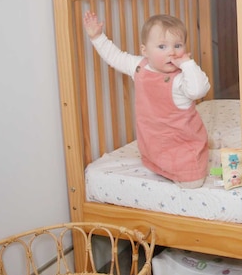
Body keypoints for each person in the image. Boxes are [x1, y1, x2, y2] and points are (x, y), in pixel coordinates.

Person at [83, 11, 211, 188]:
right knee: (154, 161)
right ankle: (161, 164)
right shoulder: (139, 67)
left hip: (183, 143)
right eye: (162, 47)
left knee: (192, 184)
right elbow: (115, 57)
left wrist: (188, 64)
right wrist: (97, 37)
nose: (172, 52)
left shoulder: (181, 78)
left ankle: (200, 151)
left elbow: (199, 90)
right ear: (145, 51)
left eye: (178, 45)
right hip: (154, 142)